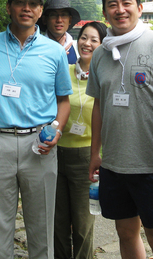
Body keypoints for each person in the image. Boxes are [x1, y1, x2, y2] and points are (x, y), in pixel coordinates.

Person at [0, 0, 73, 259]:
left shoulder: (54, 52)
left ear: (40, 11)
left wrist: (57, 130)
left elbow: (64, 99)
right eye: (20, 2)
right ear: (9, 7)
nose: (26, 8)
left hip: (39, 144)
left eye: (33, 4)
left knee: (41, 226)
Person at [86, 0, 153, 259]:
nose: (120, 10)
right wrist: (95, 152)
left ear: (139, 8)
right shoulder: (101, 53)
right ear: (104, 13)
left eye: (126, 3)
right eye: (112, 5)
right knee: (125, 234)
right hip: (114, 165)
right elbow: (99, 105)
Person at [54, 21, 107, 259]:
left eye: (94, 40)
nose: (87, 43)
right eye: (84, 38)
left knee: (83, 224)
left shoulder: (105, 78)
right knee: (58, 222)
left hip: (86, 156)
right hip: (56, 153)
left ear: (102, 45)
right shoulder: (64, 70)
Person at [38, 0, 81, 64]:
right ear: (44, 20)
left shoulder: (78, 48)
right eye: (53, 15)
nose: (59, 20)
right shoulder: (36, 48)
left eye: (63, 15)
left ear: (69, 20)